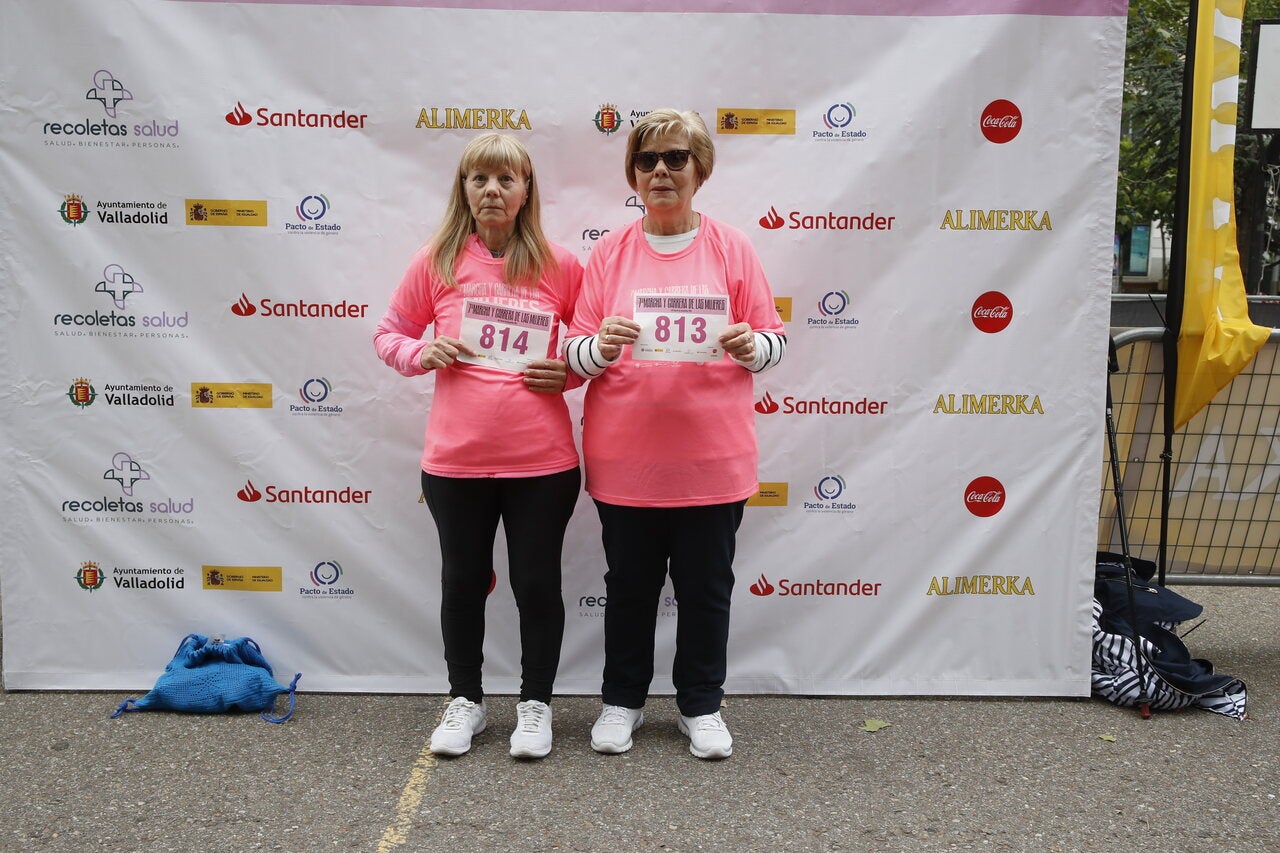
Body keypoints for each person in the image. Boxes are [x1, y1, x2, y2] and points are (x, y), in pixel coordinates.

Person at [565, 109, 787, 759]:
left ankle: (701, 704)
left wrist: (755, 344)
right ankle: (622, 700)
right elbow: (575, 353)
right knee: (629, 587)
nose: (660, 170)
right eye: (647, 160)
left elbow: (774, 339)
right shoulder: (609, 253)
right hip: (625, 462)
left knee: (705, 590)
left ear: (700, 169)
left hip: (712, 462)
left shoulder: (733, 248)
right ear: (633, 174)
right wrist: (598, 346)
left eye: (675, 158)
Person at [374, 133, 583, 759]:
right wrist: (421, 352)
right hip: (456, 463)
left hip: (542, 465)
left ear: (526, 192)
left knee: (537, 584)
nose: (491, 190)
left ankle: (536, 707)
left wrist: (568, 372)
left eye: (505, 179)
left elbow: (591, 347)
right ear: (463, 189)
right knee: (463, 582)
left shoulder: (560, 264)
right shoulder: (436, 261)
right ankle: (465, 700)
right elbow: (389, 334)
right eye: (478, 179)